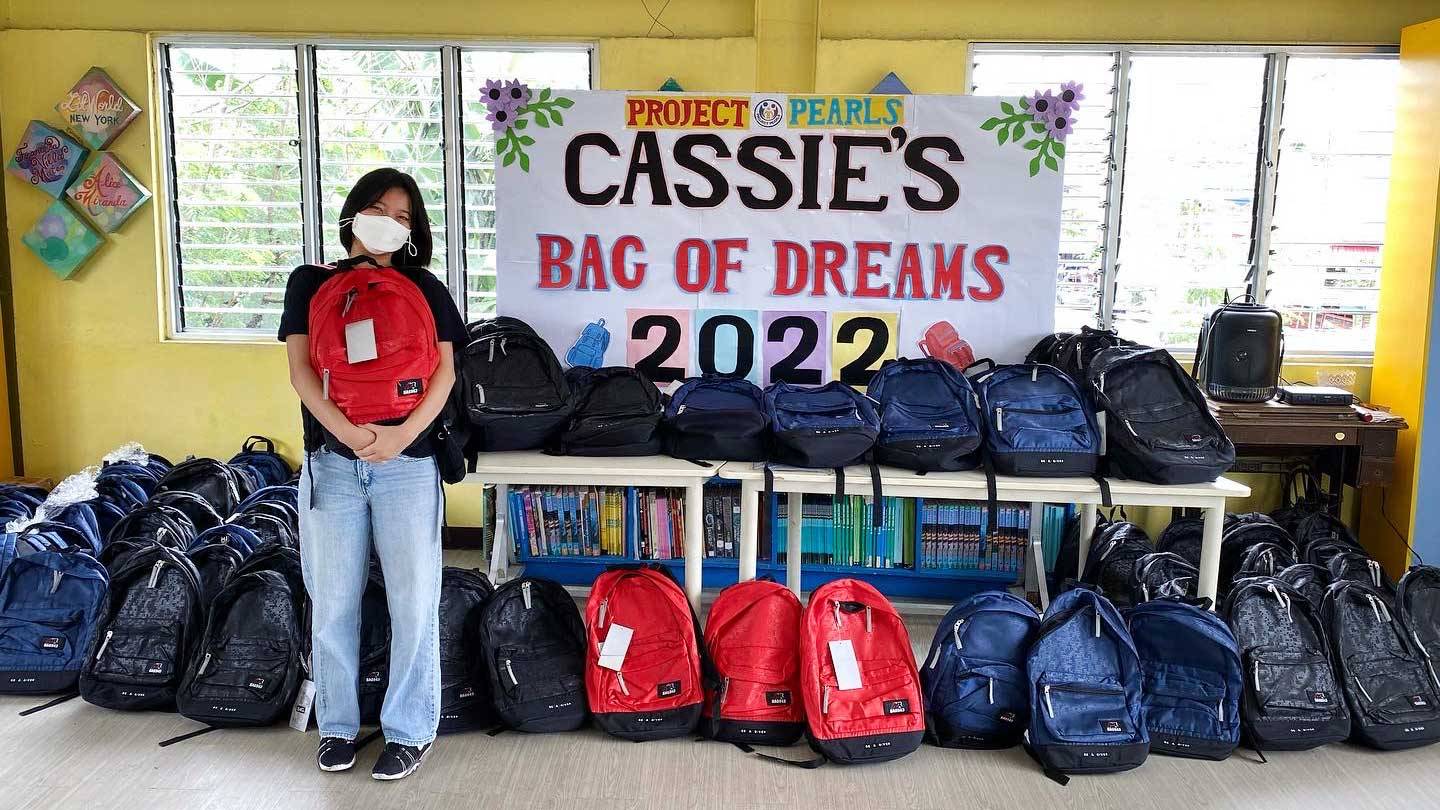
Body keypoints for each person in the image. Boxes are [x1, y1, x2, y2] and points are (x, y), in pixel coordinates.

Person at [279, 168, 466, 781]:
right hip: (333, 462)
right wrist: (351, 434)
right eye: (381, 208)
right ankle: (336, 725)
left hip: (408, 465)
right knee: (332, 599)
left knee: (414, 601)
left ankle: (410, 730)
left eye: (405, 216)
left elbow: (445, 374)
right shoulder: (310, 282)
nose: (391, 221)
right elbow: (303, 371)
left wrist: (401, 437)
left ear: (415, 232)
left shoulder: (426, 287)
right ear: (354, 214)